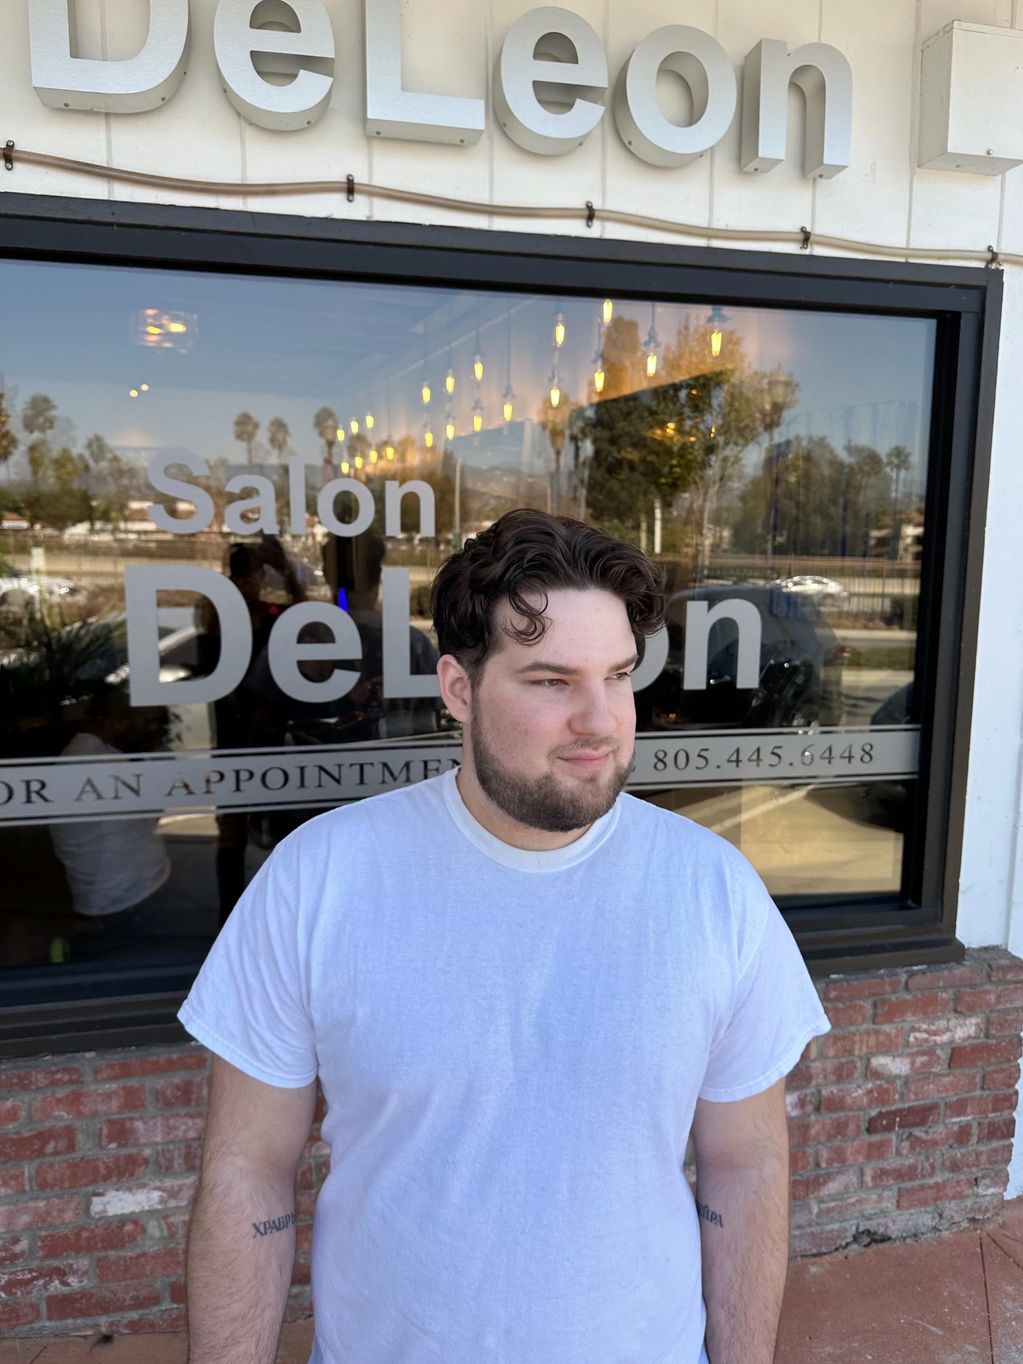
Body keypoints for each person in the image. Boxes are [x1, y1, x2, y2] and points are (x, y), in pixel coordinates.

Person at [179, 509, 830, 1364]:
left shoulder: (712, 890)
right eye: (550, 682)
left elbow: (743, 1166)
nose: (599, 721)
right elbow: (247, 1171)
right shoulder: (320, 880)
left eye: (618, 676)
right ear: (457, 689)